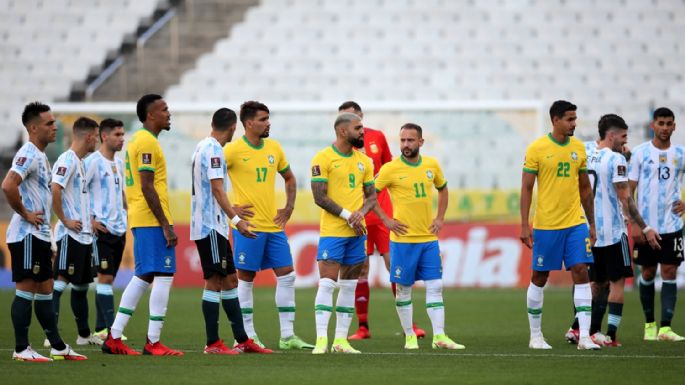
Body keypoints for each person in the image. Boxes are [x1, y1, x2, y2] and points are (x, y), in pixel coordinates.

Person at [223, 101, 313, 350]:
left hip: (273, 226)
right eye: (263, 119)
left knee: (287, 275)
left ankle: (287, 336)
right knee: (246, 279)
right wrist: (232, 212)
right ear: (249, 123)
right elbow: (212, 182)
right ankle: (246, 336)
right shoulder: (232, 150)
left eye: (268, 118)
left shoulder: (274, 147)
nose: (268, 122)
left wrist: (289, 207)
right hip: (248, 227)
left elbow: (290, 178)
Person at [3, 101, 86, 361]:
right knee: (26, 291)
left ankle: (58, 346)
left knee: (46, 290)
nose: (55, 127)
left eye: (54, 122)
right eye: (49, 123)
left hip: (39, 235)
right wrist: (26, 214)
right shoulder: (27, 153)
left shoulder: (40, 156)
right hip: (26, 235)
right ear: (33, 127)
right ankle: (21, 349)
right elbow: (8, 185)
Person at [102, 94, 182, 356]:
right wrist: (165, 225)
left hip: (142, 217)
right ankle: (151, 341)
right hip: (150, 219)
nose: (169, 113)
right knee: (160, 275)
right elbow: (147, 185)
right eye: (164, 109)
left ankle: (116, 336)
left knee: (148, 274)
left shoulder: (140, 140)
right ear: (151, 115)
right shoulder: (146, 142)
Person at [338, 101, 425, 340]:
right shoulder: (339, 149)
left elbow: (392, 169)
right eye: (344, 117)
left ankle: (411, 325)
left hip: (384, 214)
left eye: (352, 116)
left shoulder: (377, 137)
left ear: (361, 117)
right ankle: (362, 327)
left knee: (395, 267)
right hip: (359, 216)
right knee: (360, 269)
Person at [374, 123, 465, 350]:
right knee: (404, 289)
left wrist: (440, 217)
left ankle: (439, 337)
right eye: (402, 140)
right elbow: (370, 195)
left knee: (435, 285)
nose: (405, 145)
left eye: (410, 140)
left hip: (428, 239)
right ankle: (409, 336)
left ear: (421, 142)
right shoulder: (390, 169)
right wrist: (386, 220)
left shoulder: (431, 165)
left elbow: (443, 188)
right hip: (403, 241)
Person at [190, 108, 272, 354]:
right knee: (214, 281)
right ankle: (212, 343)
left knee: (230, 279)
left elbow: (211, 190)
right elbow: (216, 189)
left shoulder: (202, 146)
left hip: (213, 222)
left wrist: (231, 210)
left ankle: (242, 339)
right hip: (209, 225)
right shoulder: (215, 150)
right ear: (234, 127)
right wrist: (237, 220)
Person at [520, 100, 600, 350]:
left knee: (581, 272)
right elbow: (526, 188)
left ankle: (585, 336)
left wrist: (592, 224)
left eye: (575, 119)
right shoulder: (537, 148)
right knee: (539, 277)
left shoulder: (578, 148)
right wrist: (524, 224)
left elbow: (585, 189)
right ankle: (535, 336)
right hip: (547, 225)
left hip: (575, 223)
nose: (574, 124)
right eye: (569, 119)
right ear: (555, 120)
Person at [584, 114, 661, 346]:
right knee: (617, 284)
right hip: (614, 232)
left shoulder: (588, 153)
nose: (626, 141)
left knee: (597, 283)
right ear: (612, 135)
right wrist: (644, 226)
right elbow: (625, 199)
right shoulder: (615, 159)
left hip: (592, 230)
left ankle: (589, 330)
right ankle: (611, 334)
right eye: (623, 136)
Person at [310, 112, 377, 354]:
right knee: (327, 284)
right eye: (358, 127)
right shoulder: (323, 158)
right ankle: (320, 340)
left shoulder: (365, 161)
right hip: (333, 232)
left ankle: (340, 341)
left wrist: (360, 213)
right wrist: (349, 215)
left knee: (349, 286)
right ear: (342, 131)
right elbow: (319, 196)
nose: (362, 131)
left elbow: (372, 197)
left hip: (358, 233)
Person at [629, 107, 685, 342]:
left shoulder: (681, 154)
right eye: (660, 123)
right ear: (653, 125)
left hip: (672, 225)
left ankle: (665, 328)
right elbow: (628, 191)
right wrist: (634, 224)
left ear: (674, 126)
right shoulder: (640, 153)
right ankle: (649, 324)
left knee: (670, 271)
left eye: (668, 123)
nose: (664, 127)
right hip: (645, 226)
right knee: (649, 271)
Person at [49, 117, 100, 348]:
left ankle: (83, 334)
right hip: (70, 235)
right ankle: (51, 335)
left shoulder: (80, 162)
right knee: (60, 283)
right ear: (88, 136)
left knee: (80, 286)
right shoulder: (67, 159)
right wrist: (65, 220)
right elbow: (55, 188)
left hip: (84, 235)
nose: (97, 141)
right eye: (96, 136)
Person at [83, 119, 128, 341]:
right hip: (101, 229)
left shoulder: (119, 163)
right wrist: (89, 220)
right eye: (117, 134)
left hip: (119, 229)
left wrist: (126, 212)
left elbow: (121, 194)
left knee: (108, 279)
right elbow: (77, 190)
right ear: (104, 136)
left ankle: (101, 328)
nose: (122, 138)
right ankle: (110, 331)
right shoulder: (92, 162)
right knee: (105, 278)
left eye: (123, 134)